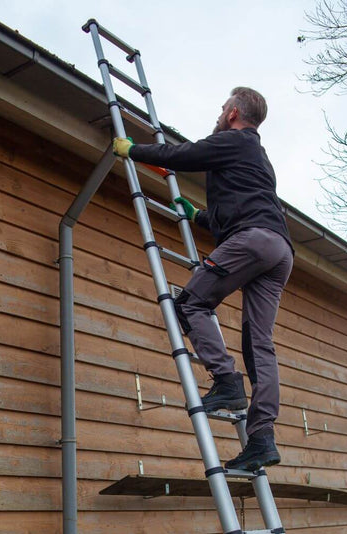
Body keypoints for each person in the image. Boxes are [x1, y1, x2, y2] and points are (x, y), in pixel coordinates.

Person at [112, 87, 293, 472]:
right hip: (279, 250)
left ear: (232, 113)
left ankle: (226, 381)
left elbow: (184, 155)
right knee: (259, 344)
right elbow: (239, 207)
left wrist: (134, 150)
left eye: (223, 106)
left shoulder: (233, 140)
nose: (220, 111)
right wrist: (197, 216)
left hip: (254, 240)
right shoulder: (257, 156)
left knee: (189, 302)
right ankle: (261, 440)